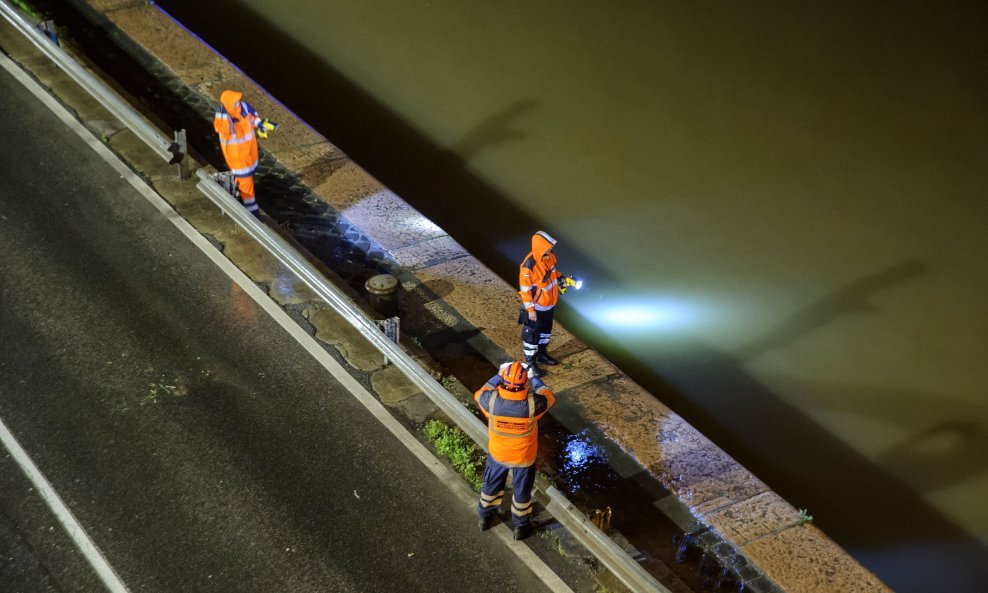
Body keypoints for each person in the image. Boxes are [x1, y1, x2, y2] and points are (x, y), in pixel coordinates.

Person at [475, 361, 555, 540]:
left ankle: (484, 518)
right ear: (524, 384)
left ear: (503, 381)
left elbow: (479, 393)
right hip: (523, 458)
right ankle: (520, 528)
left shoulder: (491, 402)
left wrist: (498, 375)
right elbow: (549, 397)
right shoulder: (533, 406)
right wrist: (535, 379)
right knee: (522, 493)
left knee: (490, 488)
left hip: (498, 455)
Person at [518, 230, 578, 376]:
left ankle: (542, 354)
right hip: (537, 308)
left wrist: (562, 279)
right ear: (540, 247)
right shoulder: (528, 266)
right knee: (531, 336)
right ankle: (531, 363)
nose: (550, 250)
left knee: (545, 332)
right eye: (547, 247)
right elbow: (525, 291)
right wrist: (531, 310)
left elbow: (553, 274)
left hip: (549, 304)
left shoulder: (550, 257)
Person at [213, 90, 276, 217]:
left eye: (238, 101)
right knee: (247, 186)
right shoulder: (223, 118)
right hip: (238, 159)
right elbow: (225, 128)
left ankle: (234, 191)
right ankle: (252, 214)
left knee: (244, 182)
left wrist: (261, 125)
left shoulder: (244, 108)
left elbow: (252, 119)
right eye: (235, 103)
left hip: (249, 153)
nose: (238, 104)